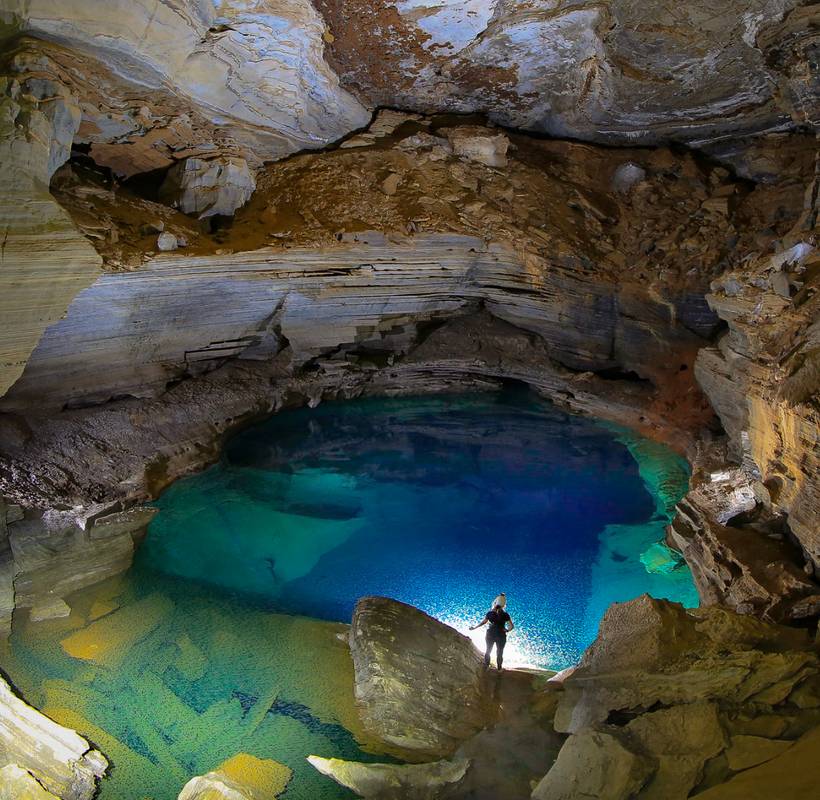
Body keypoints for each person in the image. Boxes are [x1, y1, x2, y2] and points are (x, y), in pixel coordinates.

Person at [470, 602, 513, 670]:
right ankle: (499, 668)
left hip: (490, 634)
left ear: (494, 605)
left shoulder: (490, 613)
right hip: (501, 635)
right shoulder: (505, 614)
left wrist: (474, 628)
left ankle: (487, 666)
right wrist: (507, 630)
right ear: (503, 607)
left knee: (488, 650)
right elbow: (511, 626)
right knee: (499, 652)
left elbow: (483, 622)